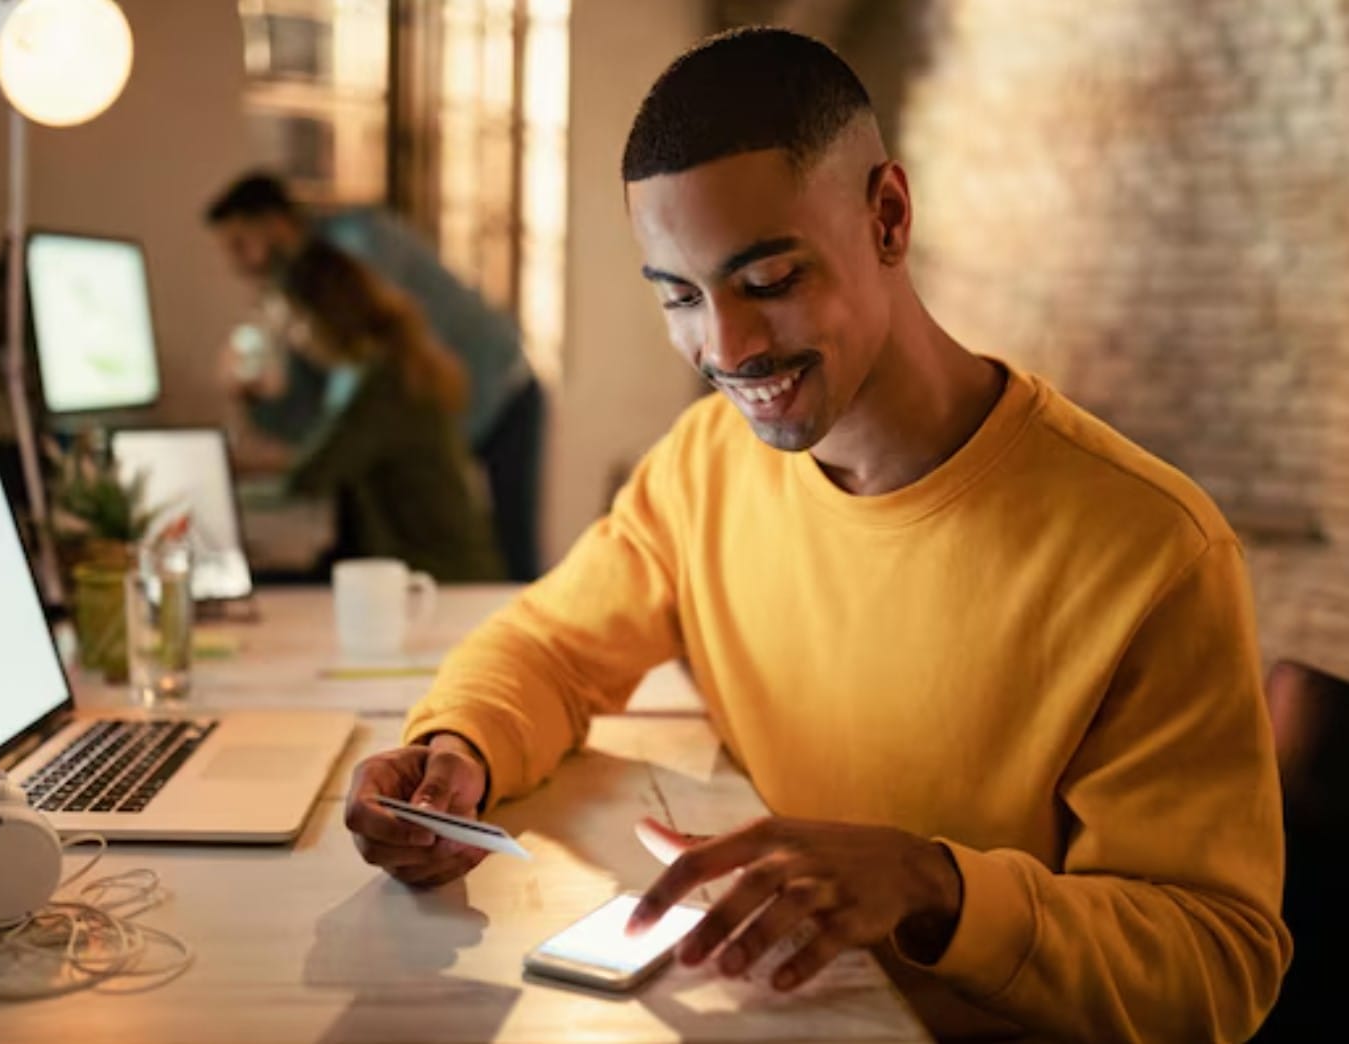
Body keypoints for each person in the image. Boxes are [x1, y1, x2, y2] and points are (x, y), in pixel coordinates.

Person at [340, 27, 1288, 1042]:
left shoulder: (1152, 549)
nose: (724, 347)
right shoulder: (706, 463)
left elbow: (1215, 965)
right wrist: (458, 753)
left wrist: (937, 886)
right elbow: (549, 648)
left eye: (768, 282)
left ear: (886, 216)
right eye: (678, 297)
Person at [207, 175, 546, 581]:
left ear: (276, 224)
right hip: (444, 398)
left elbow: (341, 414)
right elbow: (314, 416)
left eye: (241, 244)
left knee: (510, 553)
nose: (238, 263)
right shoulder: (325, 310)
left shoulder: (357, 247)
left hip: (501, 390)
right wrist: (256, 404)